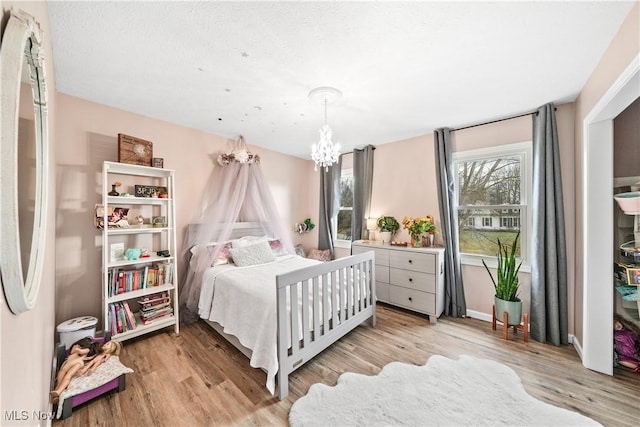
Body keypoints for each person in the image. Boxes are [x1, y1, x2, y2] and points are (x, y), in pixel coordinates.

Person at [50, 337, 123, 403]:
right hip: (80, 363)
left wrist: (87, 369)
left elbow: (94, 362)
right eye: (106, 343)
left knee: (66, 373)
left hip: (79, 363)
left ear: (110, 349)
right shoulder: (97, 351)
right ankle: (58, 394)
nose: (105, 344)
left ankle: (58, 390)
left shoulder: (99, 353)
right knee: (67, 374)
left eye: (107, 345)